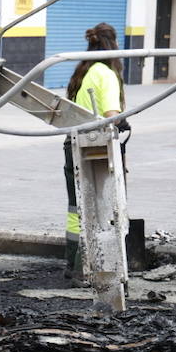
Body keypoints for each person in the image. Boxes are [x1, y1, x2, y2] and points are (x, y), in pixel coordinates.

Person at [63, 22, 125, 275]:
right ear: (113, 45)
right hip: (95, 149)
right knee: (99, 207)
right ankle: (92, 267)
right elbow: (111, 115)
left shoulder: (84, 72)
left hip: (74, 143)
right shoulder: (106, 74)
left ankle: (73, 265)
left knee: (75, 207)